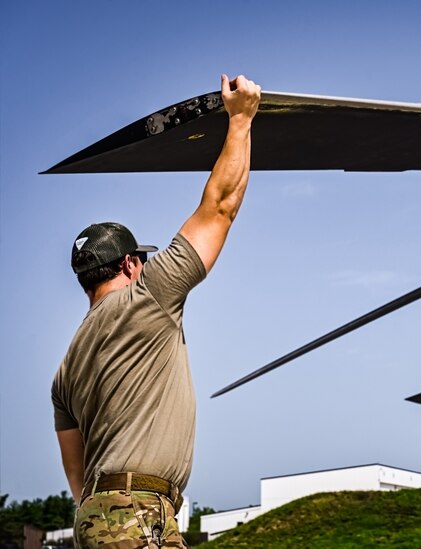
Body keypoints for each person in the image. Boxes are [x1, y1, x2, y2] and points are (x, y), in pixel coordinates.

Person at [51, 74, 261, 548]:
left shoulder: (65, 370)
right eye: (140, 261)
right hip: (135, 514)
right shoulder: (147, 296)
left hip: (112, 516)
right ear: (129, 264)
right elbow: (220, 208)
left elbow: (77, 475)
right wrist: (241, 119)